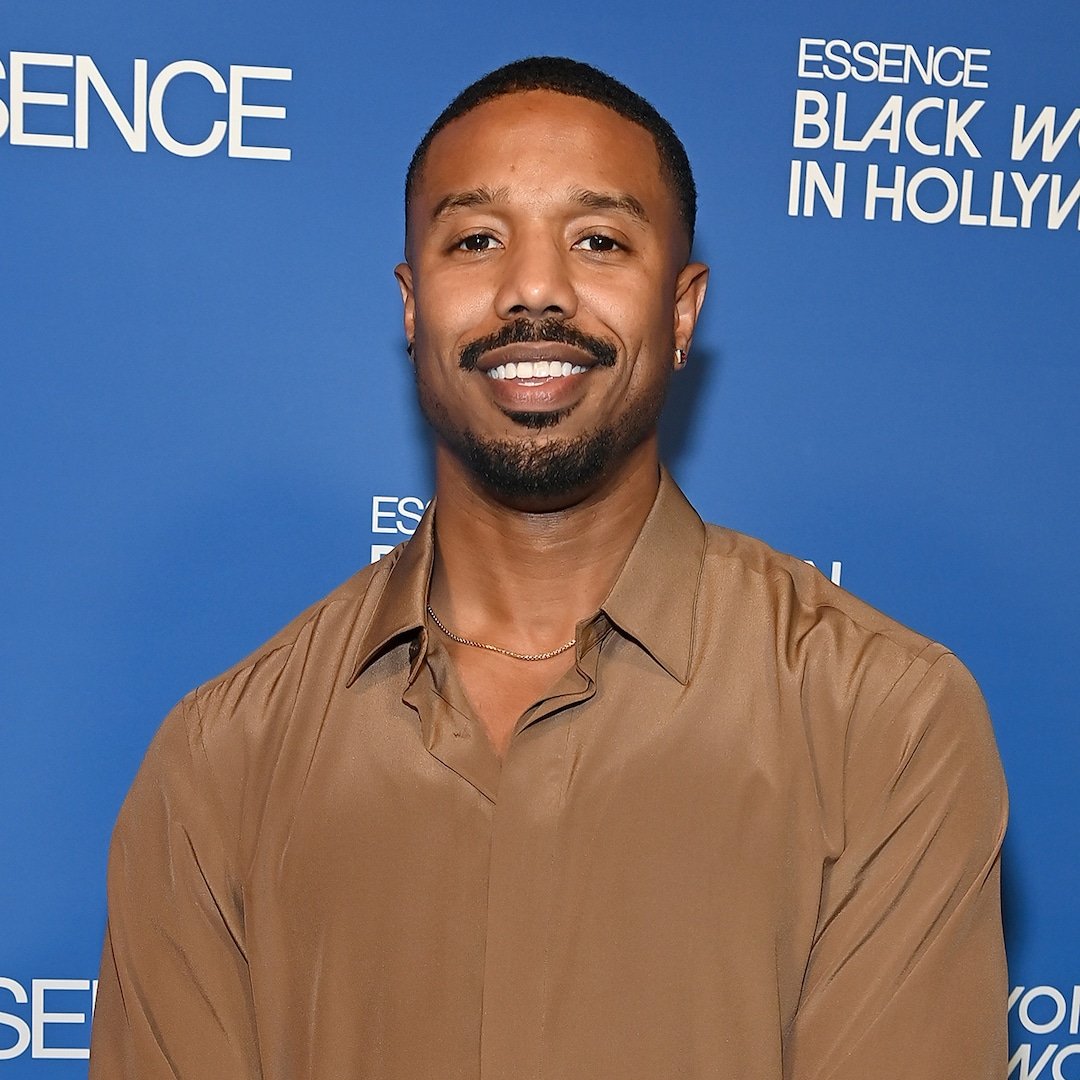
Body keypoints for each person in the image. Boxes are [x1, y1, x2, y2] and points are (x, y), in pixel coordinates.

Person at [89, 56, 1008, 1079]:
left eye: (598, 241)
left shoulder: (881, 720)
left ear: (682, 311)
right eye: (476, 240)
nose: (534, 288)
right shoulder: (222, 759)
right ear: (411, 306)